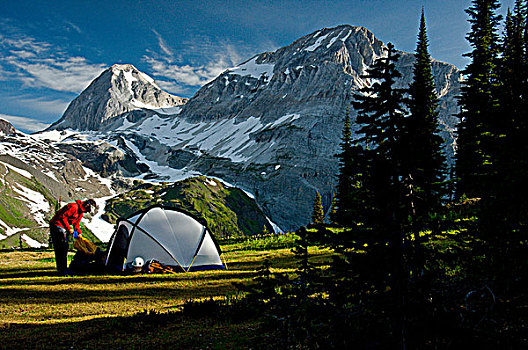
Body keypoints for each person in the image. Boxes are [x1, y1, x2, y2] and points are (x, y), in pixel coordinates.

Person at [49, 199, 96, 274]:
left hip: (63, 227)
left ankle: (62, 268)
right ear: (87, 205)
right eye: (89, 209)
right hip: (57, 225)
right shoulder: (73, 207)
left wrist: (79, 233)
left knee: (64, 247)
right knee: (61, 246)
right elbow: (62, 217)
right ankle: (62, 269)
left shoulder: (80, 212)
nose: (87, 211)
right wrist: (69, 228)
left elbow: (76, 223)